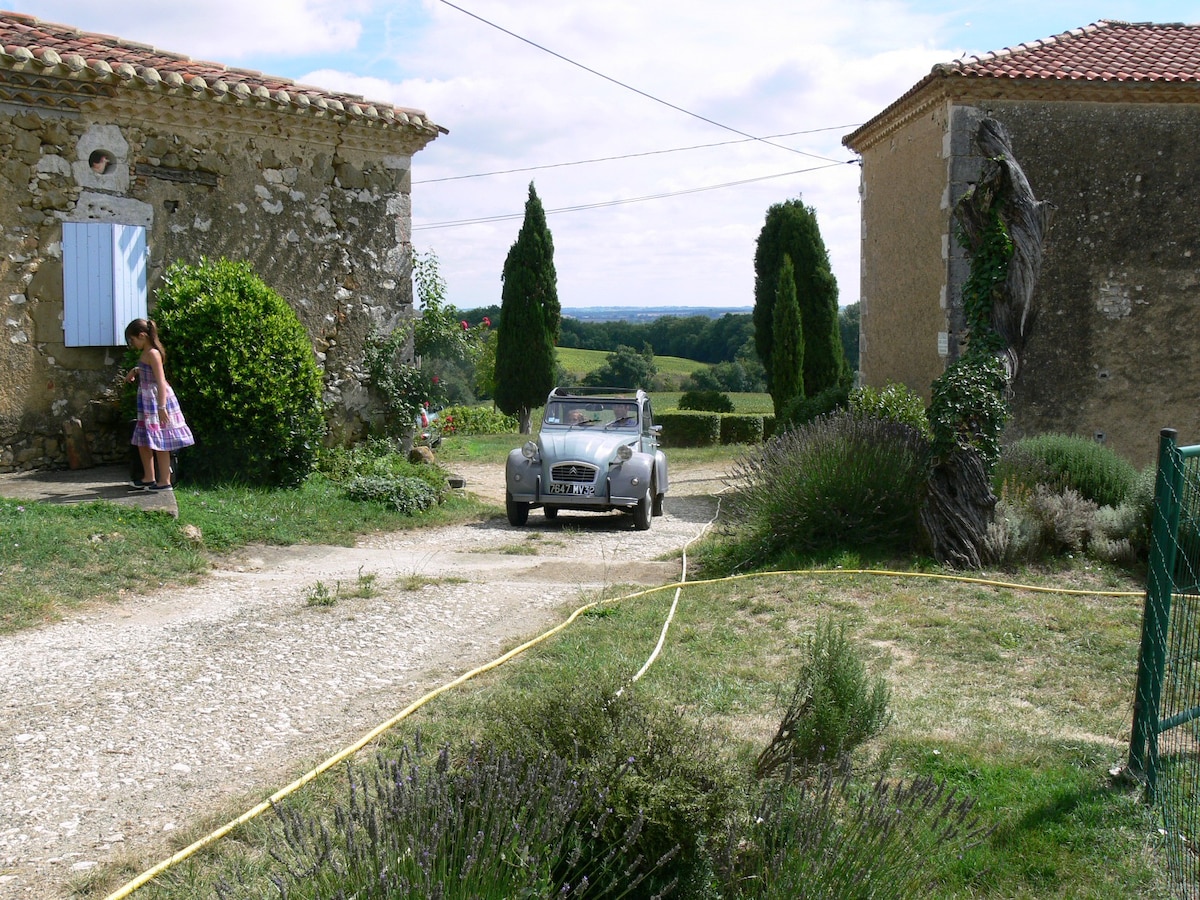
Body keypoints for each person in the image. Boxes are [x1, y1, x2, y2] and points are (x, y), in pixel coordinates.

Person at [124, 318, 194, 491]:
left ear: (142, 335)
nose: (132, 344)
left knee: (160, 441)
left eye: (132, 340)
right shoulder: (146, 353)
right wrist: (135, 371)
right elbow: (147, 370)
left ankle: (165, 481)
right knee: (143, 440)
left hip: (156, 402)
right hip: (147, 403)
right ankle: (149, 477)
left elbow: (160, 381)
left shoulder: (153, 353)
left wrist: (162, 407)